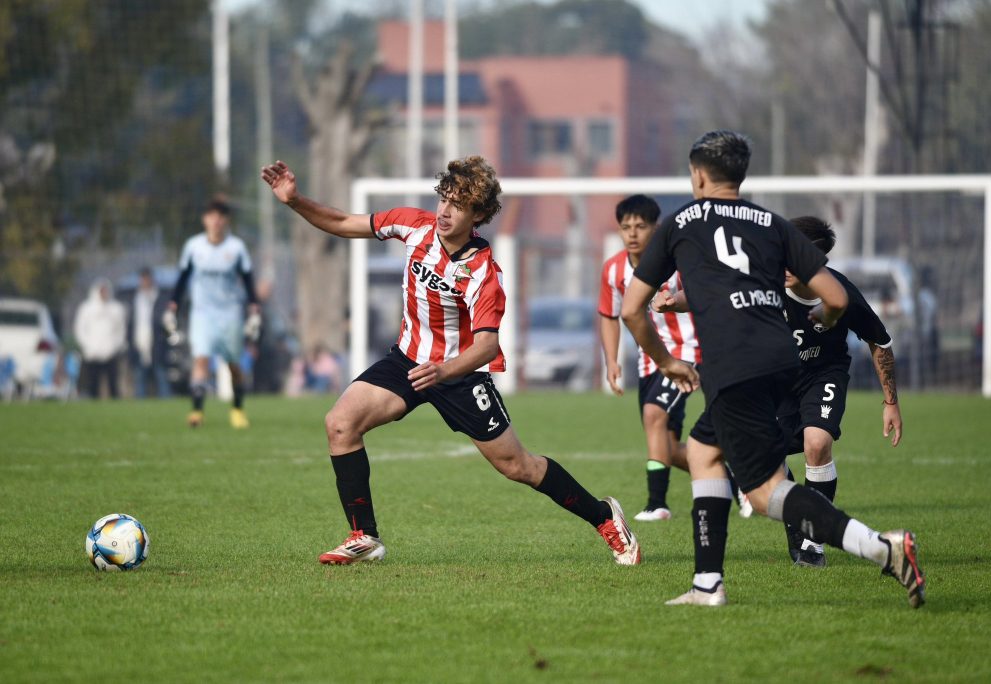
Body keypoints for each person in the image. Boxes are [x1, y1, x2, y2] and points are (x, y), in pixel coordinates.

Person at [260, 155, 640, 566]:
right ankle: (364, 536)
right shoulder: (413, 225)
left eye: (457, 205)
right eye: (443, 198)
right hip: (408, 360)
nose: (444, 210)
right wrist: (295, 200)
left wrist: (443, 370)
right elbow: (342, 223)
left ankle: (604, 517)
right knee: (340, 423)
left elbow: (487, 346)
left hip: (460, 375)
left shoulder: (483, 272)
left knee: (518, 466)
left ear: (478, 214)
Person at [621, 130, 924, 608]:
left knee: (764, 492)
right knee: (703, 451)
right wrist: (825, 319)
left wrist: (666, 361)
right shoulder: (771, 223)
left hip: (735, 363)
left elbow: (631, 309)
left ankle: (882, 548)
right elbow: (836, 298)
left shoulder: (682, 223)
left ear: (697, 175)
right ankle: (707, 584)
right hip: (780, 362)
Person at [774, 216, 903, 568]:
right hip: (776, 382)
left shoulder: (841, 293)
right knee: (766, 461)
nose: (785, 263)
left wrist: (891, 403)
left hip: (823, 374)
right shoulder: (766, 285)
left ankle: (813, 541)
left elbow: (880, 342)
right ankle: (798, 519)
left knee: (817, 444)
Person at [598, 194, 699, 521]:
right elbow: (609, 316)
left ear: (656, 228)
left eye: (640, 226)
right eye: (625, 227)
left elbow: (702, 293)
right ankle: (737, 477)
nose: (632, 233)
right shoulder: (614, 269)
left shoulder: (676, 262)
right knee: (666, 445)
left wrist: (676, 300)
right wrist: (612, 360)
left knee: (654, 416)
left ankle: (657, 504)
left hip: (687, 352)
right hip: (650, 359)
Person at [166, 197, 260, 428]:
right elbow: (183, 277)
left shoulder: (236, 248)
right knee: (201, 360)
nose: (216, 221)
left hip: (230, 313)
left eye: (220, 217)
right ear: (205, 220)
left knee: (233, 365)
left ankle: (237, 410)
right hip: (202, 314)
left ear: (226, 221)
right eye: (212, 216)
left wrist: (254, 308)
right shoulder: (194, 247)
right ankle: (197, 411)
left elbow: (248, 279)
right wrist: (173, 305)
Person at [73, 278, 127, 399]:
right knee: (93, 384)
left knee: (113, 384)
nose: (104, 294)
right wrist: (88, 346)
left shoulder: (116, 308)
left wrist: (115, 346)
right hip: (92, 353)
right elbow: (80, 330)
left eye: (105, 291)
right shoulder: (86, 308)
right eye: (101, 291)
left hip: (111, 353)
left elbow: (121, 330)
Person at [129, 267, 171, 398]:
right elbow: (131, 323)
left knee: (161, 375)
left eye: (147, 279)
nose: (145, 282)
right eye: (143, 279)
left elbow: (166, 320)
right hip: (139, 343)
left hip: (157, 343)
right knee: (140, 378)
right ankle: (140, 404)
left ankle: (166, 401)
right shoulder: (135, 298)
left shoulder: (160, 298)